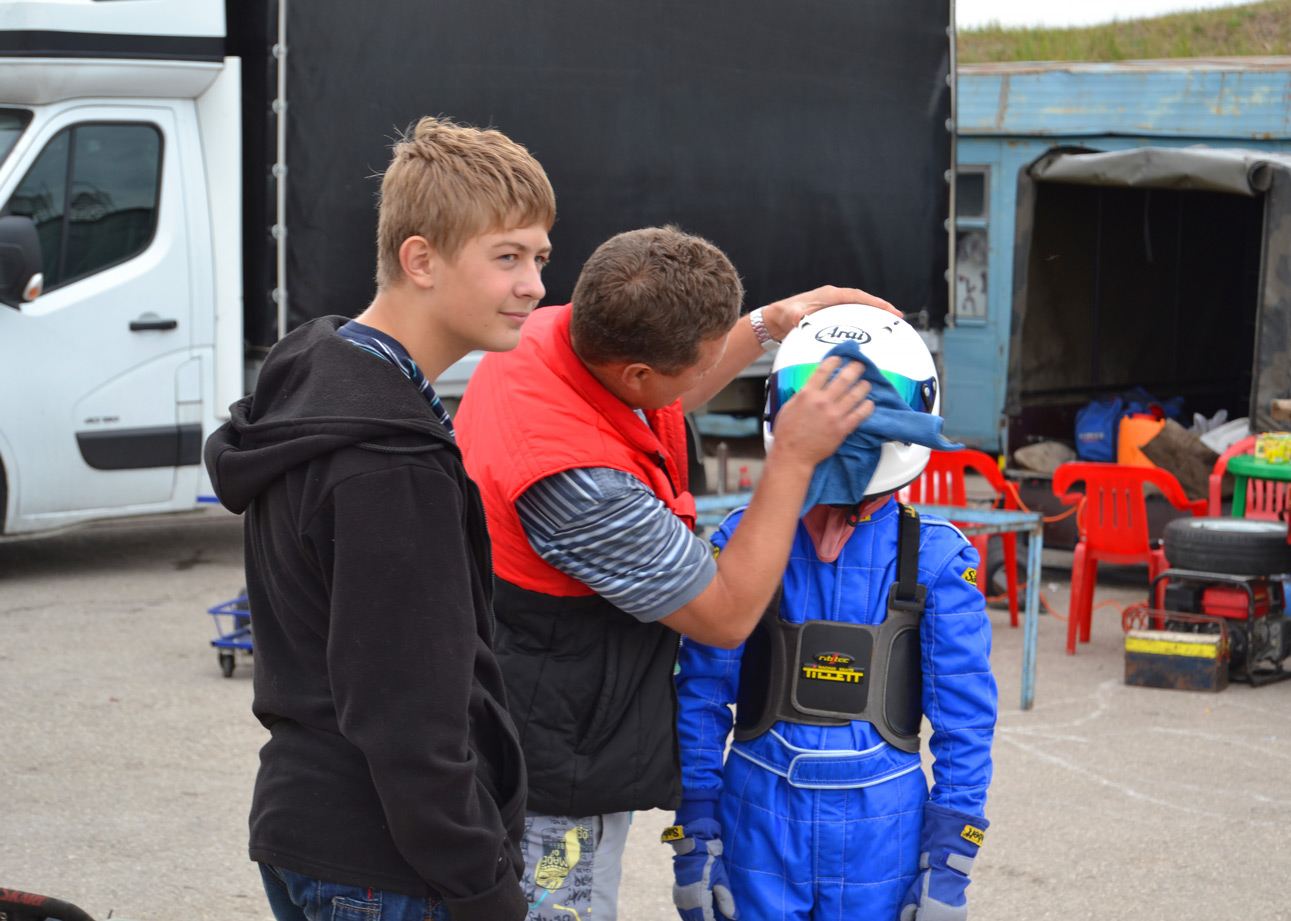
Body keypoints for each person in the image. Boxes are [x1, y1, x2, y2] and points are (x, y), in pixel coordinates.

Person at [455, 226, 897, 919]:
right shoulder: (578, 481)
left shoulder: (548, 336)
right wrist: (793, 459)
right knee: (558, 902)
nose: (711, 375)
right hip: (550, 766)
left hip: (526, 694)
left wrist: (766, 324)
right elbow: (725, 614)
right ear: (637, 374)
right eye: (703, 365)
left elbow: (667, 390)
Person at [204, 117, 556, 921]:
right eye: (507, 257)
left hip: (313, 834)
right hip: (387, 866)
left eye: (540, 256)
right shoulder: (389, 461)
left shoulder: (320, 378)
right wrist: (484, 890)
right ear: (420, 259)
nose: (535, 285)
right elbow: (406, 715)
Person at [666, 304, 998, 921]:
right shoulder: (745, 540)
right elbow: (702, 693)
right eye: (818, 397)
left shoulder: (937, 556)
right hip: (756, 817)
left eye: (866, 400)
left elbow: (966, 721)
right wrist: (695, 831)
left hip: (884, 831)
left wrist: (951, 860)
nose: (839, 423)